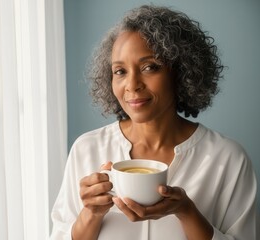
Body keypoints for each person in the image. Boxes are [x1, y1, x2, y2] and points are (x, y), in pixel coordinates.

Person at [50, 5, 257, 240]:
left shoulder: (227, 158)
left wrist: (186, 211)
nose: (132, 85)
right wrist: (90, 213)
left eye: (150, 67)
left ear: (180, 72)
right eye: (120, 71)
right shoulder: (86, 149)